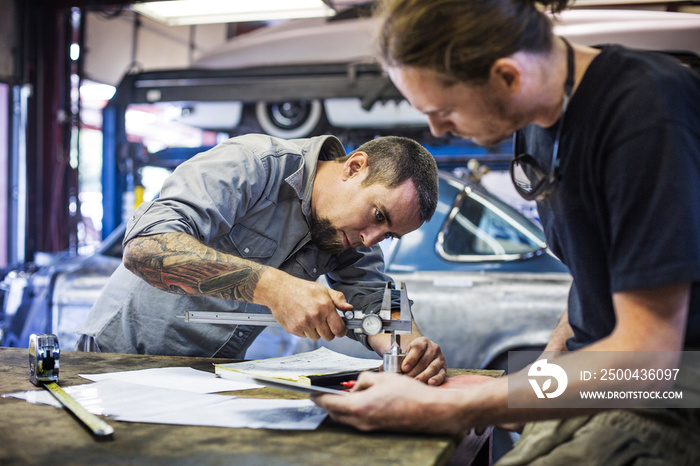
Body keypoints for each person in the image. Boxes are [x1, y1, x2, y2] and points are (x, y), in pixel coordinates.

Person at [313, 0, 700, 463]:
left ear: (507, 77)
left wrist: (450, 406)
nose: (436, 128)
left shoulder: (645, 112)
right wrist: (530, 387)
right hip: (601, 382)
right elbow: (596, 278)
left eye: (444, 110)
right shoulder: (537, 125)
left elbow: (648, 357)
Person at [76, 133, 447, 385]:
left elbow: (378, 298)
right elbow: (146, 248)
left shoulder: (354, 233)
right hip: (117, 361)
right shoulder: (254, 163)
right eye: (379, 215)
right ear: (354, 167)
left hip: (207, 378)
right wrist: (274, 288)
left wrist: (410, 345)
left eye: (388, 235)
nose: (371, 238)